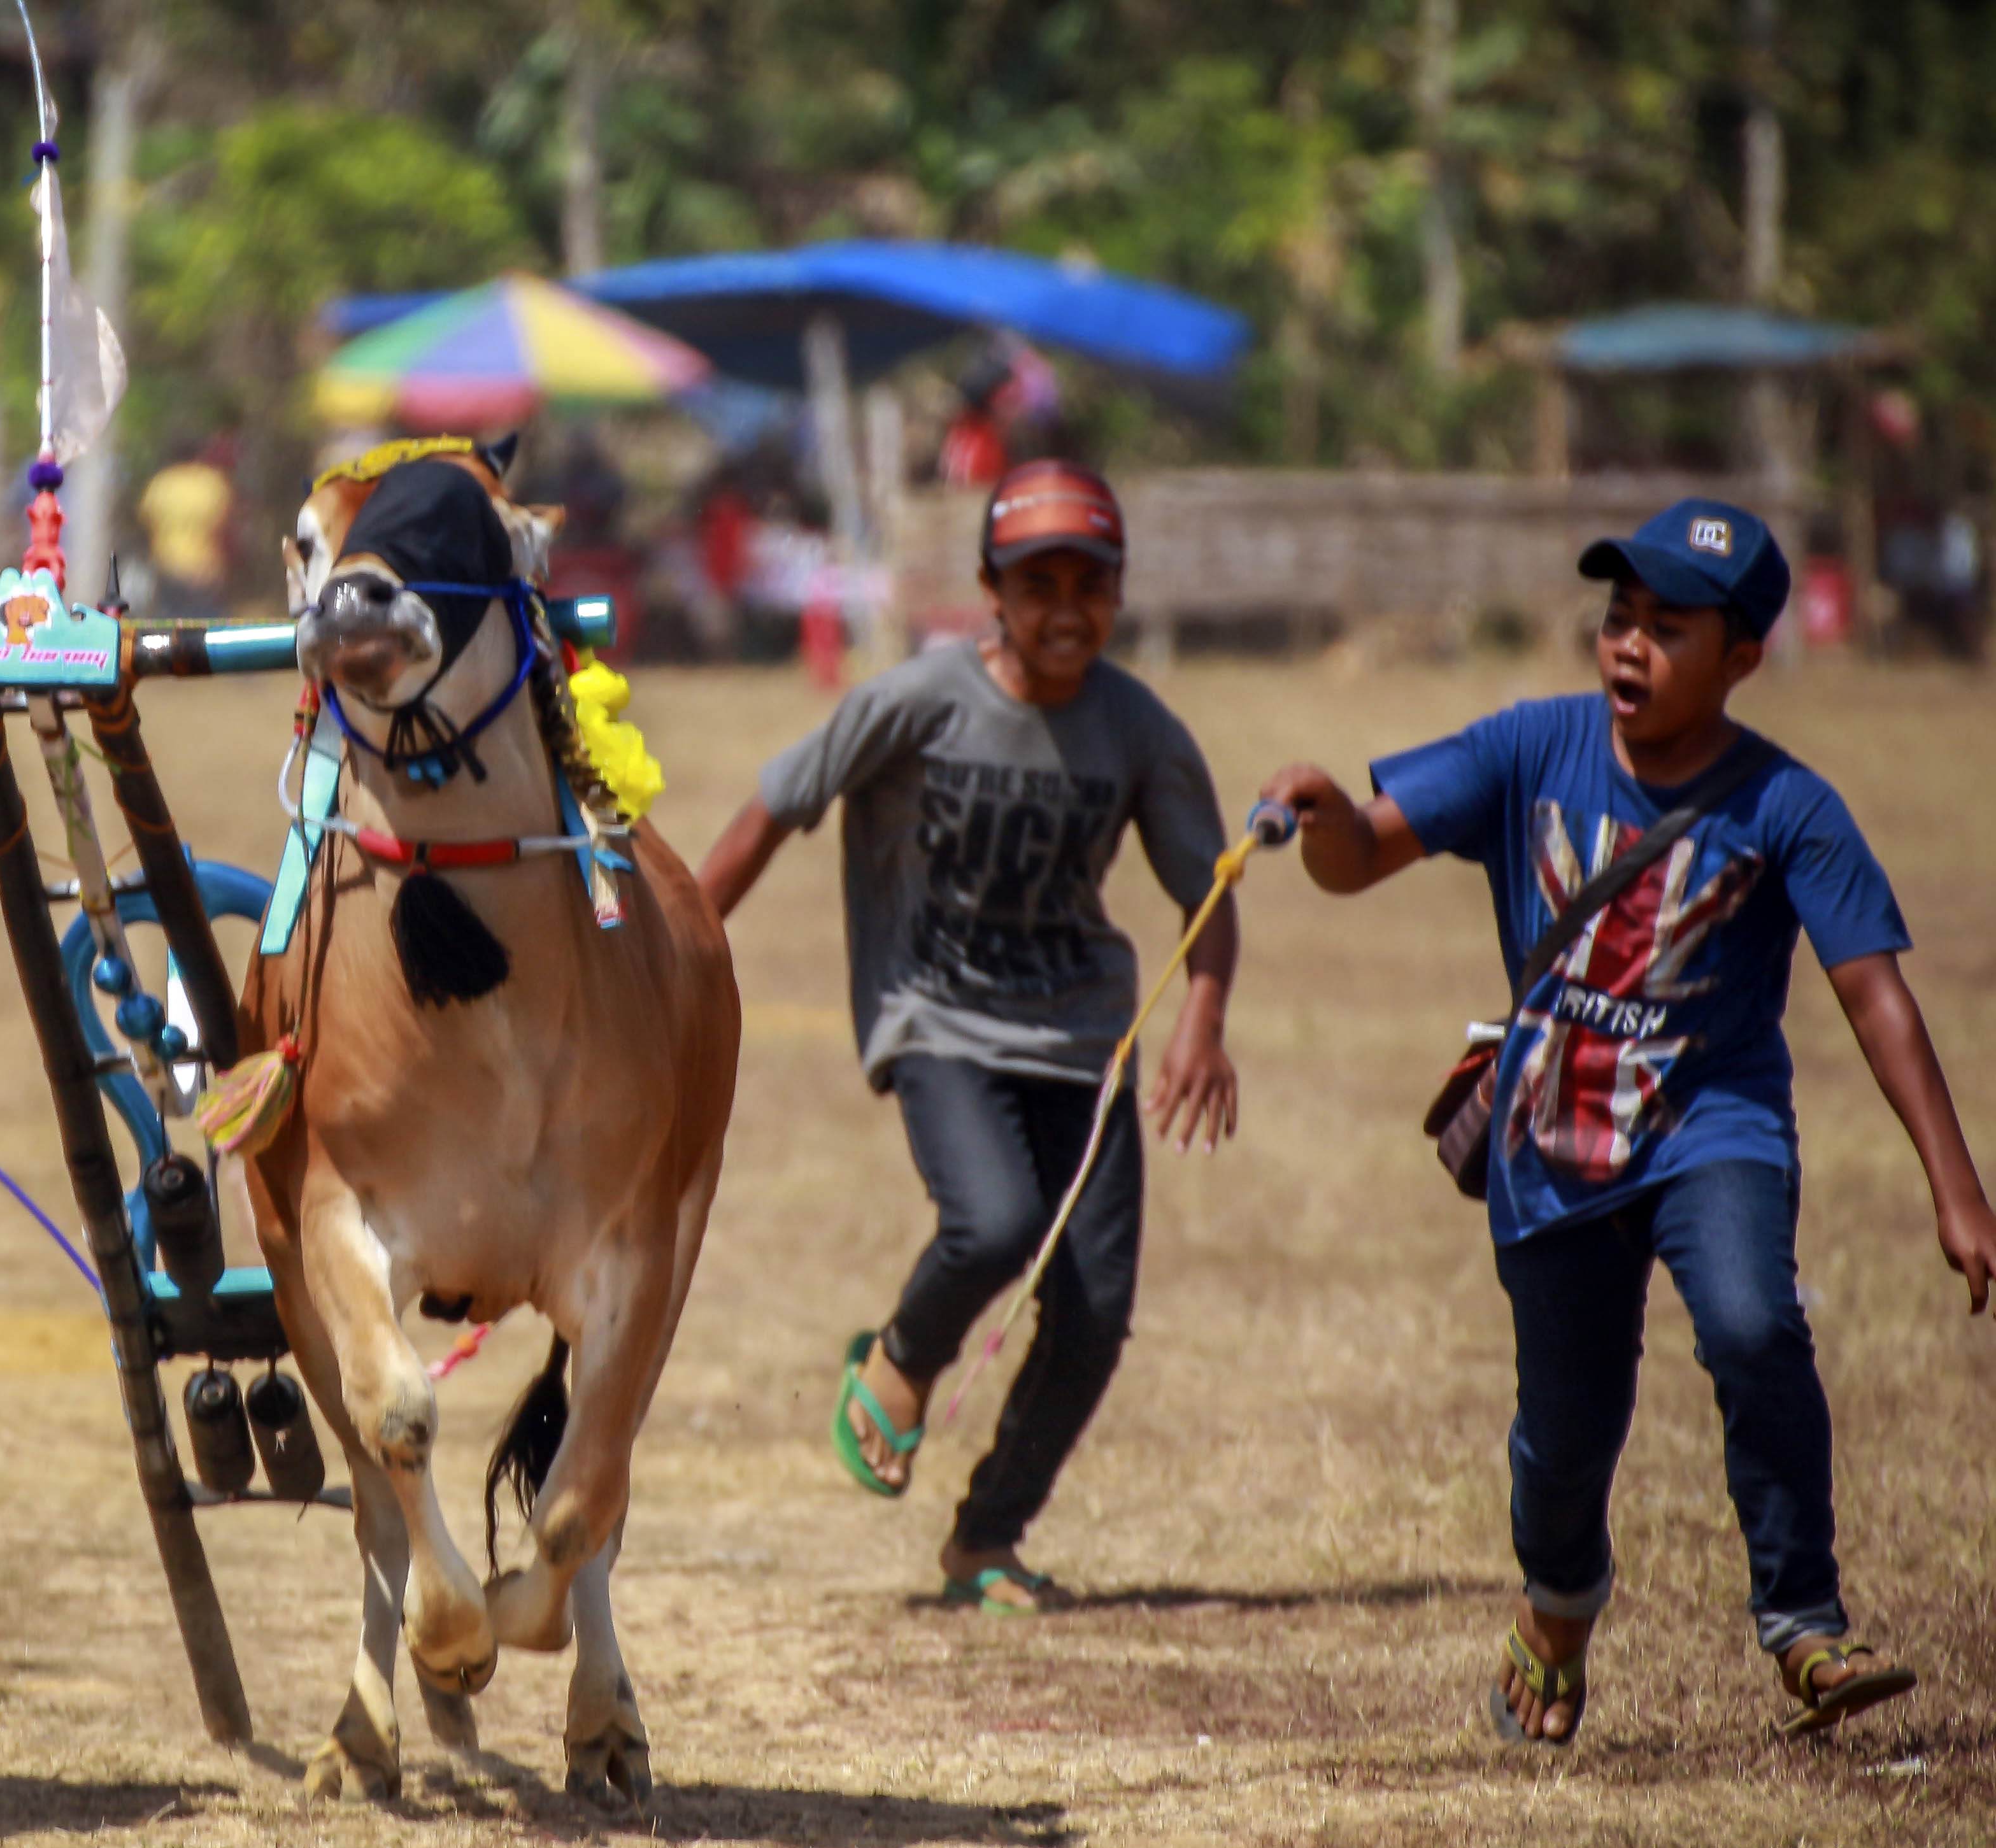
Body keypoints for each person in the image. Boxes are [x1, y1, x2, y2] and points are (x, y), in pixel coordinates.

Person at [1257, 498, 1996, 1744]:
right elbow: (1364, 853)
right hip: (1554, 1141)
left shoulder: (1787, 806)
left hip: (1719, 1125)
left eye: (1669, 627)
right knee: (1566, 1431)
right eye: (1618, 620)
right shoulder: (1531, 747)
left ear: (1744, 657)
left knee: (1758, 1329)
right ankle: (1555, 1611)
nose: (1630, 647)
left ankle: (1807, 1626)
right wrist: (1326, 810)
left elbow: (1876, 997)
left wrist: (1956, 1186)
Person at [696, 462, 1241, 1612]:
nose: (1062, 608)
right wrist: (683, 954)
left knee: (1092, 1314)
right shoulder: (917, 700)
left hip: (1083, 1033)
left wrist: (1201, 1015)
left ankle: (982, 1541)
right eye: (1034, 581)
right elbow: (773, 808)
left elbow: (1205, 889)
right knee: (991, 1221)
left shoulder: (1136, 729)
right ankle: (894, 1364)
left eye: (1087, 584)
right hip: (936, 1015)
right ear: (989, 586)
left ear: (1117, 592)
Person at [137, 439, 235, 618]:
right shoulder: (211, 483)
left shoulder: (160, 484)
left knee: (171, 622)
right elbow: (225, 524)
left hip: (168, 565)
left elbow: (146, 521)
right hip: (204, 568)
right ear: (198, 455)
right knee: (206, 625)